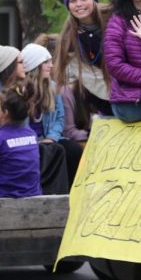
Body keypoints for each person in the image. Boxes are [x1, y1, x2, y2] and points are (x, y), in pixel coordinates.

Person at [55, 0, 112, 143]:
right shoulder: (68, 35)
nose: (79, 4)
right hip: (99, 92)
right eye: (73, 0)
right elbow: (62, 75)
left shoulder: (112, 18)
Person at [22, 42, 81, 190]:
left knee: (73, 149)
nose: (51, 65)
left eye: (50, 61)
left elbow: (60, 118)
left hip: (48, 138)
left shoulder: (53, 88)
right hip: (28, 141)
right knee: (46, 154)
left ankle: (69, 193)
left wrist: (51, 137)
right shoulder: (21, 91)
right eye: (46, 62)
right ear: (35, 65)